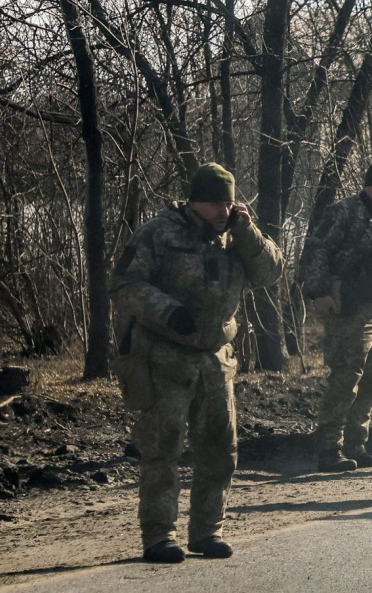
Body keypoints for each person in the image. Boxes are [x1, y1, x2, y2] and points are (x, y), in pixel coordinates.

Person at [110, 162, 284, 563]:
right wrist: (167, 311)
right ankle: (159, 537)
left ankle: (207, 531)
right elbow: (124, 284)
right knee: (162, 448)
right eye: (213, 205)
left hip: (215, 358)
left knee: (220, 448)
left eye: (227, 203)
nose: (222, 212)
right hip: (163, 356)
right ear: (194, 203)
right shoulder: (159, 232)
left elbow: (271, 271)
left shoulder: (237, 237)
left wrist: (247, 232)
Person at [299, 162, 372, 472]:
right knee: (346, 379)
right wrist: (319, 292)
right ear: (369, 186)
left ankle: (356, 445)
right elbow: (316, 249)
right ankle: (329, 448)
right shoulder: (343, 212)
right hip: (347, 308)